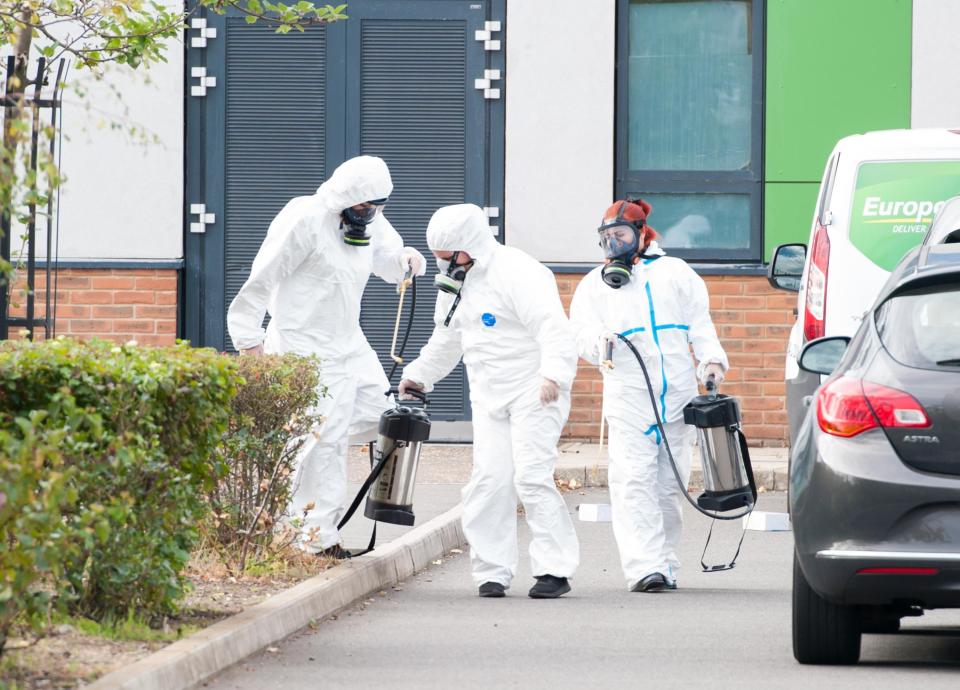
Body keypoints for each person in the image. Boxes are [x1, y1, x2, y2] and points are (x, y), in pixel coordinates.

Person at [227, 155, 426, 557]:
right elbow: (261, 278)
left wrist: (406, 259)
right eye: (360, 207)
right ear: (343, 199)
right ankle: (314, 539)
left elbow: (386, 260)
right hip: (304, 349)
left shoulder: (371, 220)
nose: (365, 214)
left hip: (349, 345)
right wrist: (251, 345)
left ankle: (297, 477)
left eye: (373, 208)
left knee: (383, 416)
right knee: (325, 439)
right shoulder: (304, 219)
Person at [398, 204, 580, 599]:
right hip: (488, 394)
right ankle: (492, 571)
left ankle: (554, 570)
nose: (446, 266)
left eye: (451, 258)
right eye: (440, 260)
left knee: (531, 476)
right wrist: (417, 376)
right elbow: (447, 339)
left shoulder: (519, 271)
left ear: (472, 245)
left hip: (535, 389)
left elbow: (552, 325)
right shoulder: (455, 286)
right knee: (490, 481)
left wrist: (554, 374)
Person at [569, 198, 728, 592]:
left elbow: (700, 324)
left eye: (621, 235)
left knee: (668, 485)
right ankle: (644, 567)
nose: (613, 244)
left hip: (675, 398)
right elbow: (579, 332)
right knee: (632, 481)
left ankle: (666, 564)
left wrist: (710, 360)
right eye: (607, 237)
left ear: (642, 234)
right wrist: (600, 343)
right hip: (629, 398)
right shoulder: (595, 285)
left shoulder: (675, 273)